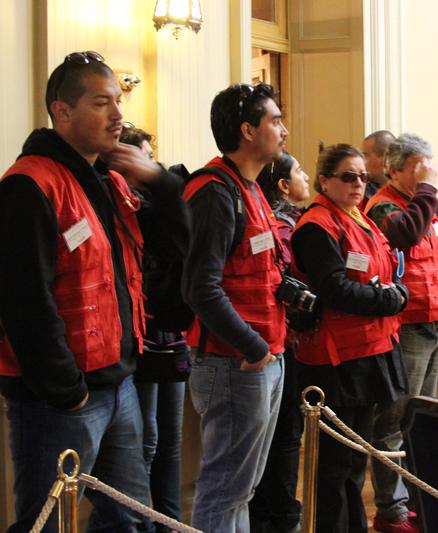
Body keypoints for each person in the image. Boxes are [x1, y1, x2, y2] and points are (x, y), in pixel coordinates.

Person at [0, 51, 190, 532]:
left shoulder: (109, 180)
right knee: (50, 521)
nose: (119, 116)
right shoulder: (29, 186)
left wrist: (160, 183)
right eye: (103, 103)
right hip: (61, 396)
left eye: (119, 102)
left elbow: (168, 250)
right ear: (62, 111)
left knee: (130, 520)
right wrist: (66, 392)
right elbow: (23, 300)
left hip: (118, 381)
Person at [181, 83, 287, 533]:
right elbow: (200, 287)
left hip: (262, 353)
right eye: (274, 120)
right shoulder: (214, 191)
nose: (283, 129)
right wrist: (252, 347)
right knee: (225, 488)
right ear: (247, 130)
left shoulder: (250, 188)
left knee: (243, 487)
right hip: (235, 360)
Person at [291, 143, 408, 533]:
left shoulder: (359, 218)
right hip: (336, 360)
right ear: (324, 180)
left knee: (357, 460)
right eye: (347, 176)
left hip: (370, 350)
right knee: (335, 464)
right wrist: (388, 299)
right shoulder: (317, 225)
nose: (358, 183)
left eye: (362, 176)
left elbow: (386, 271)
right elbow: (334, 289)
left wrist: (394, 293)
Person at [364, 133, 438, 533]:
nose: (427, 175)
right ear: (396, 168)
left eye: (429, 166)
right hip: (407, 327)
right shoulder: (383, 204)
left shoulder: (426, 206)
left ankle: (417, 496)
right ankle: (390, 508)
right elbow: (405, 236)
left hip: (436, 320)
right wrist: (427, 190)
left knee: (421, 417)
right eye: (420, 167)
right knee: (394, 420)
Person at [120, 123, 187, 531]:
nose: (151, 166)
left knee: (171, 444)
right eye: (142, 158)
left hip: (171, 335)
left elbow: (180, 248)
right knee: (145, 442)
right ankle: (143, 524)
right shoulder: (126, 207)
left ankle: (171, 524)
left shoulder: (161, 205)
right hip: (140, 337)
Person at [250, 151, 310, 533]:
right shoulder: (284, 225)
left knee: (280, 435)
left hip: (279, 339)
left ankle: (274, 513)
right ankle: (281, 514)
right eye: (300, 171)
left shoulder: (283, 219)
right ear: (284, 186)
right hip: (277, 339)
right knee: (282, 435)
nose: (308, 176)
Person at [360, 130, 396, 208]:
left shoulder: (409, 191)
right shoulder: (358, 191)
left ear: (385, 157)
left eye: (365, 156)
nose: (362, 162)